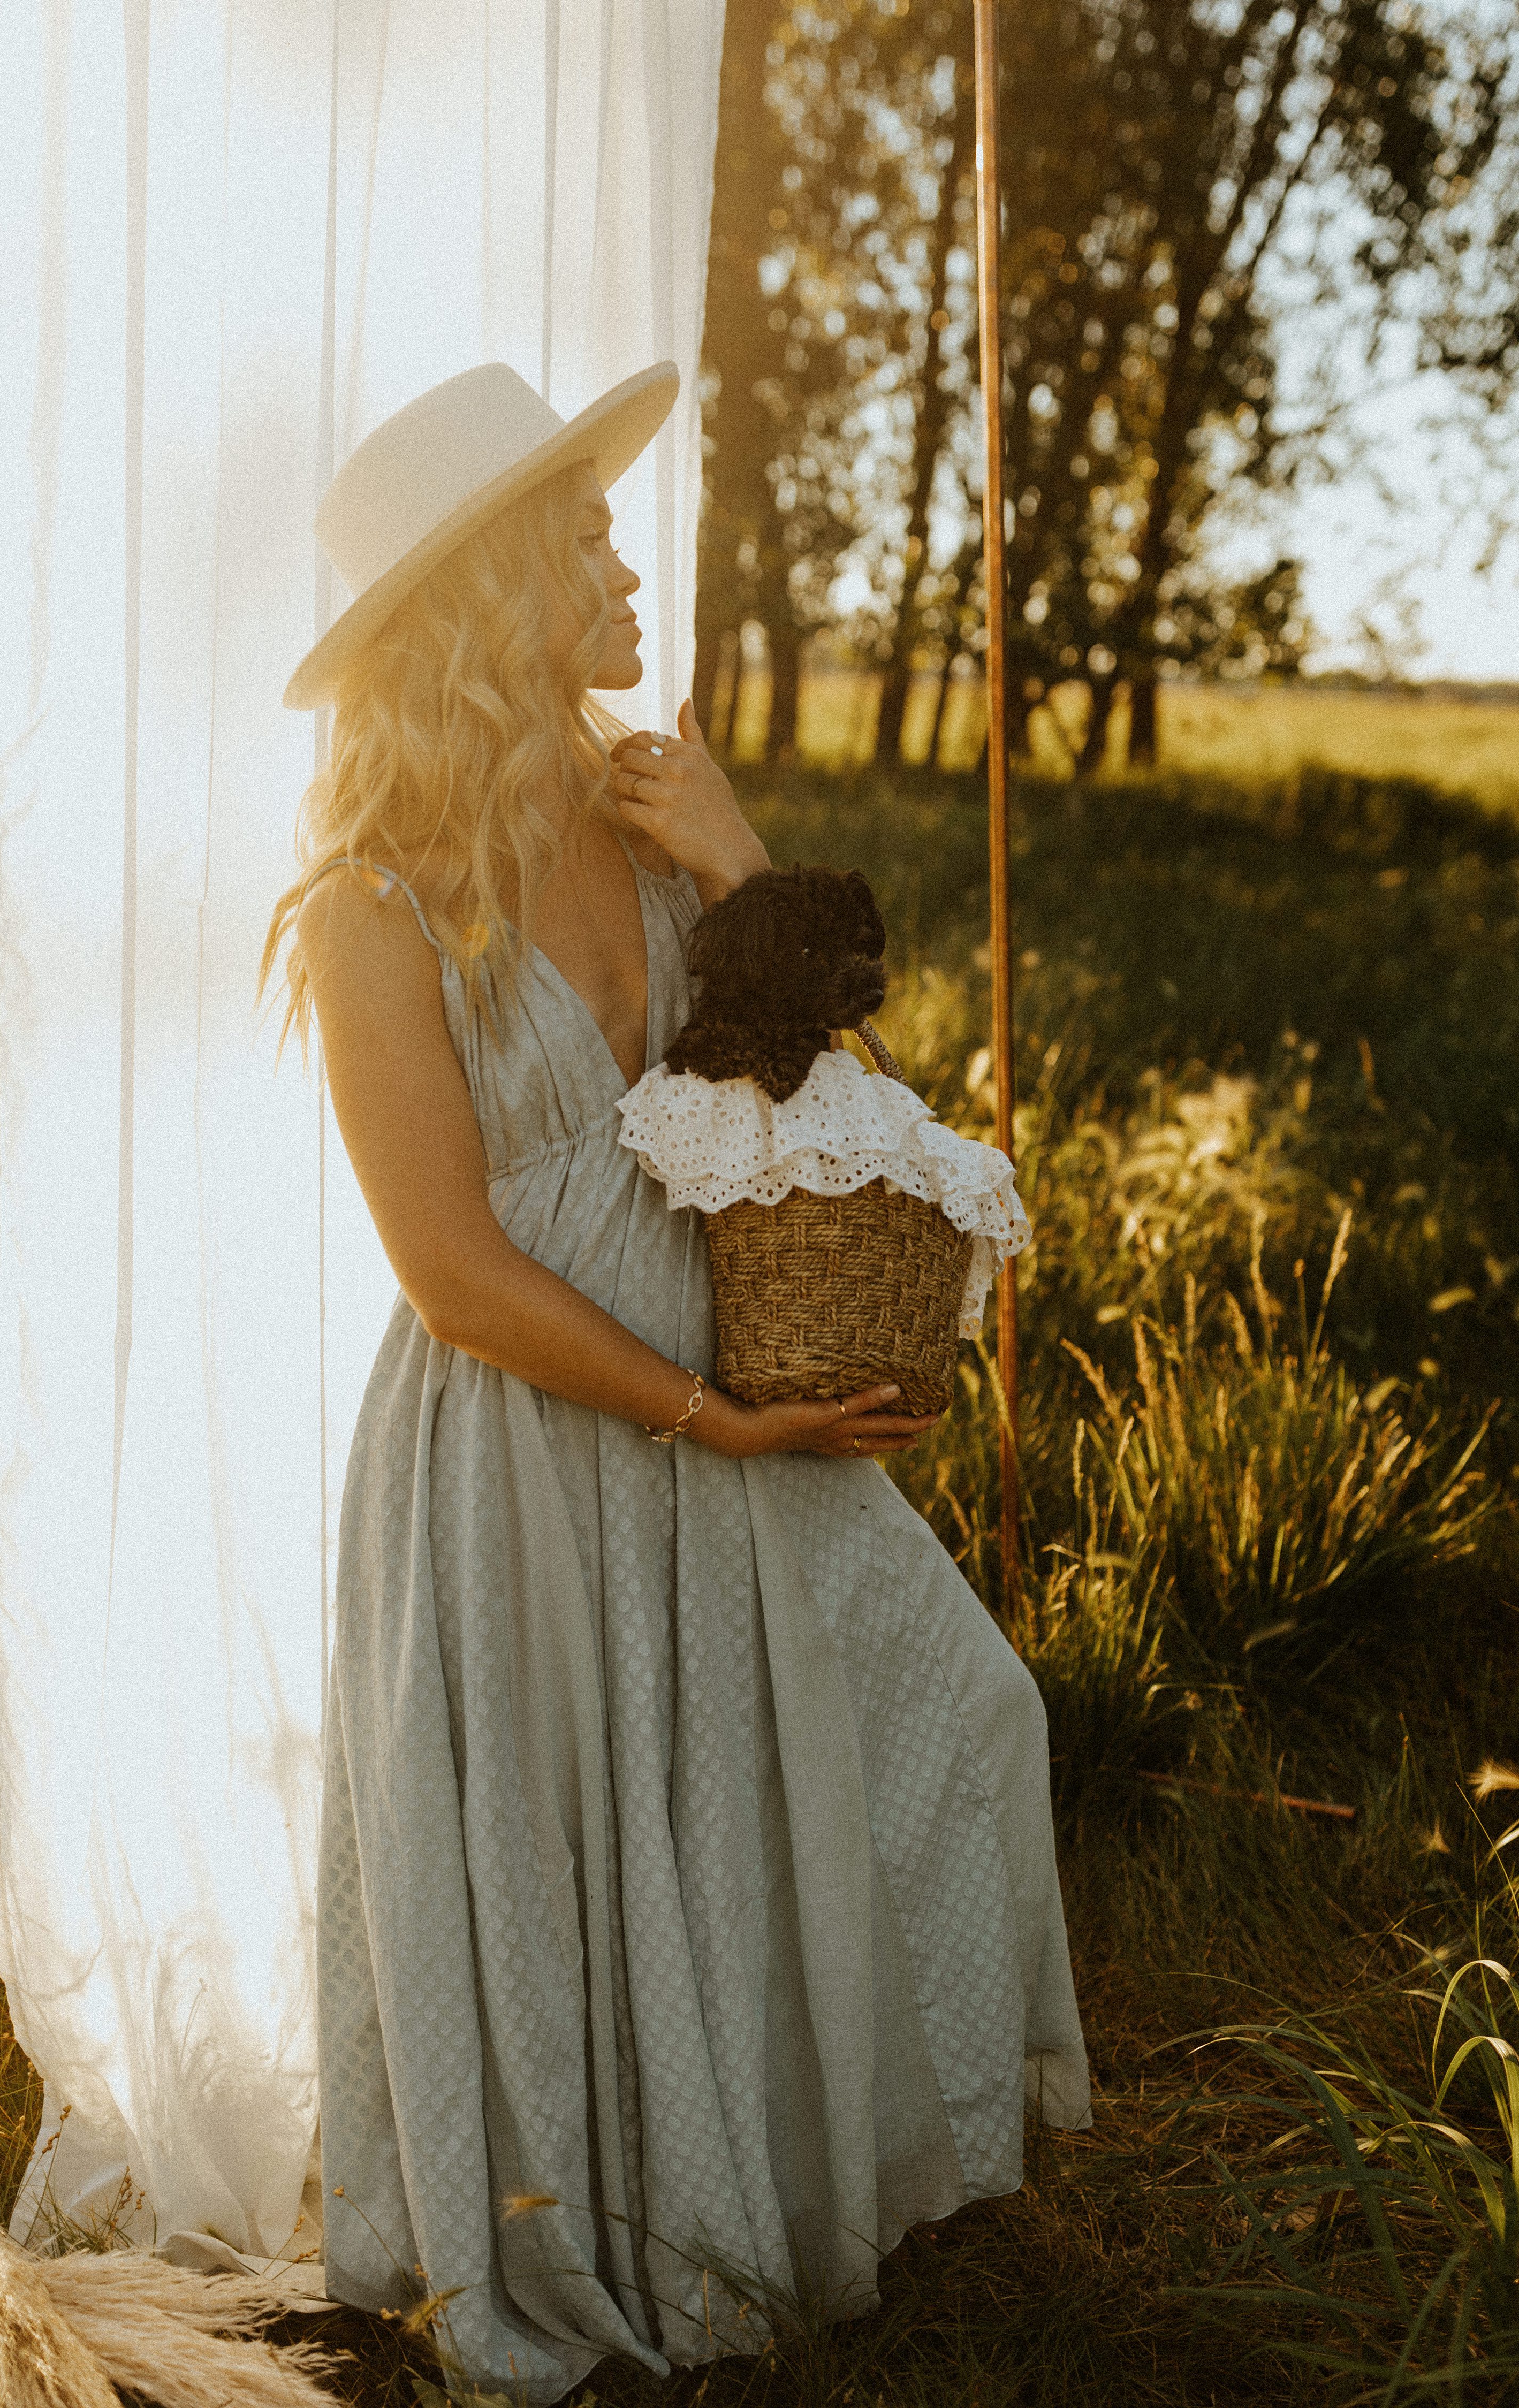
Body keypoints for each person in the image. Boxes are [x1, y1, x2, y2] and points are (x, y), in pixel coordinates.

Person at [266, 360, 1088, 2405]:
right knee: (567, 1830)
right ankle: (586, 2223)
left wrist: (739, 870)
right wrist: (708, 1414)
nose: (629, 564)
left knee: (928, 1715)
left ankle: (780, 2158)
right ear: (492, 595)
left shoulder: (652, 837)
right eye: (589, 538)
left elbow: (862, 1137)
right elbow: (452, 1272)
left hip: (732, 1395)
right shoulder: (376, 908)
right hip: (530, 1444)